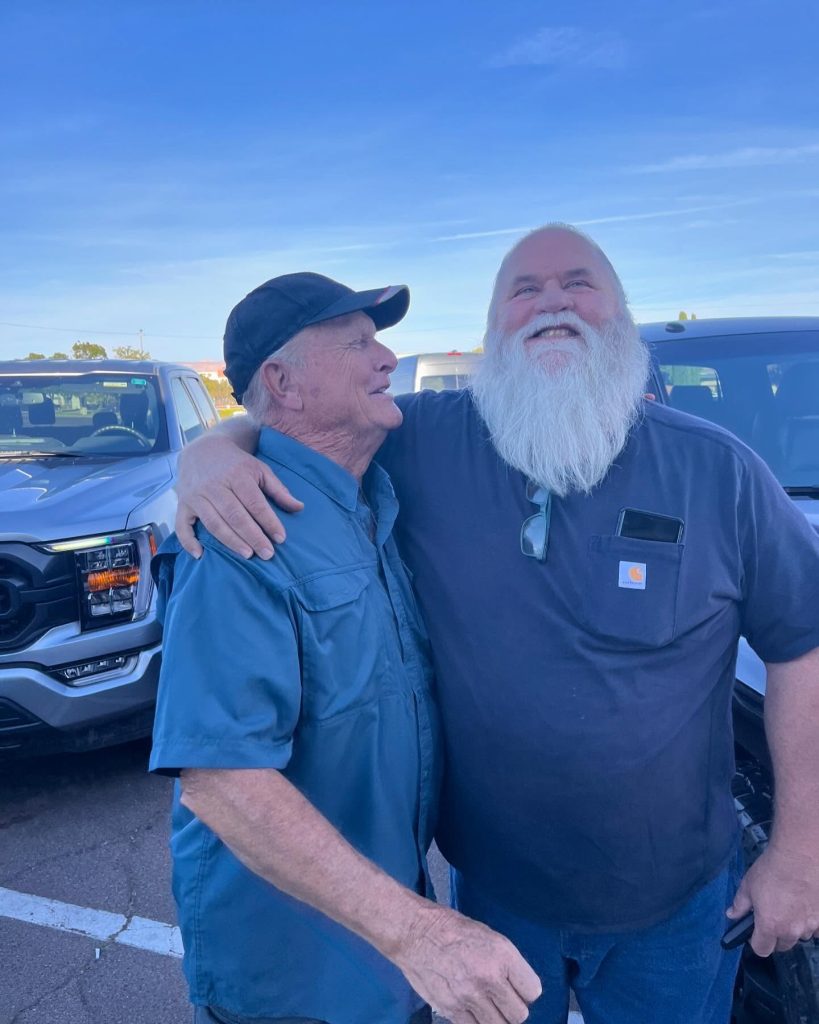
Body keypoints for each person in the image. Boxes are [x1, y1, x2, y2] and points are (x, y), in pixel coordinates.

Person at [174, 227, 819, 1024]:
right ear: (493, 332)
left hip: (677, 906)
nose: (551, 300)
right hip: (492, 903)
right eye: (522, 290)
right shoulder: (422, 442)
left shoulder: (718, 470)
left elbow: (803, 646)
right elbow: (294, 426)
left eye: (578, 283)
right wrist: (209, 454)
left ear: (621, 316)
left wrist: (800, 851)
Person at [150, 271, 542, 1024]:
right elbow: (219, 777)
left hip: (384, 958)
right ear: (284, 383)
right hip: (295, 976)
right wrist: (423, 935)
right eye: (358, 343)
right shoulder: (241, 533)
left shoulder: (367, 498)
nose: (387, 357)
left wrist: (214, 443)